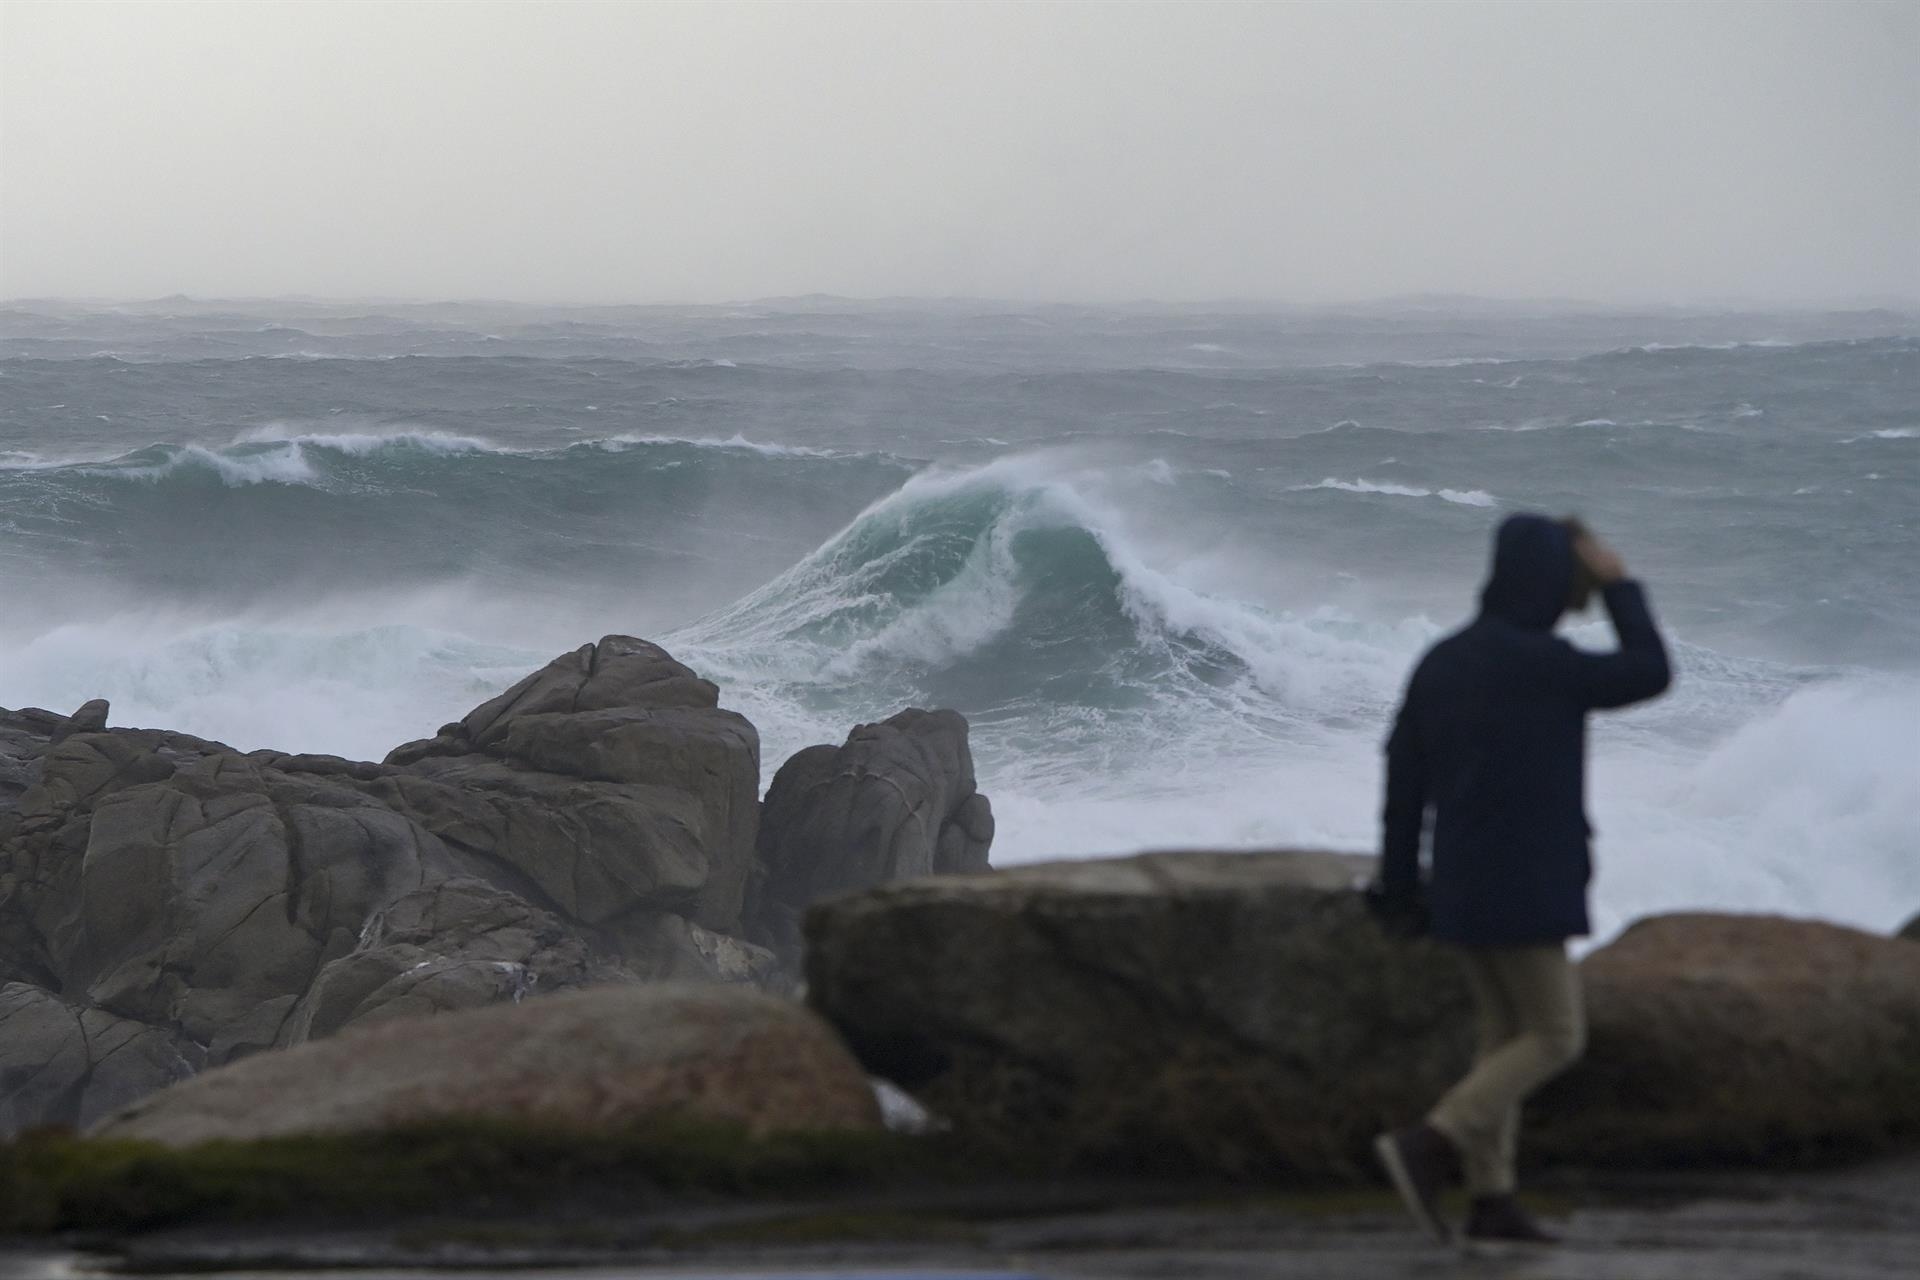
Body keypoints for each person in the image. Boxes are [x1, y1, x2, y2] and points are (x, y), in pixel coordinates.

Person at [1370, 513, 1671, 1247]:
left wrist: (1400, 887)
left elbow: (1403, 787)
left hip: (1461, 885)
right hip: (1528, 886)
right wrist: (1621, 585)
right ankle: (1431, 1143)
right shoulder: (1547, 665)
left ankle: (1492, 1197)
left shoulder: (1441, 662)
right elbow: (1650, 670)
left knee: (1503, 1036)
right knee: (1557, 1036)